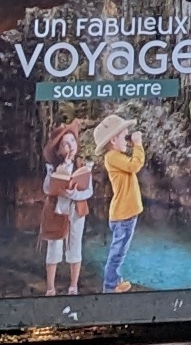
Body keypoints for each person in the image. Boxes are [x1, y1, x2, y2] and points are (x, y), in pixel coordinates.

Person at [94, 116, 148, 292]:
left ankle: (116, 281)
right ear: (113, 139)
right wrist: (138, 145)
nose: (128, 140)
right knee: (117, 253)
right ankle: (109, 287)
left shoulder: (117, 156)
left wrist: (132, 146)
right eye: (125, 137)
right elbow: (135, 165)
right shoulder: (111, 157)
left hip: (126, 213)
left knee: (120, 251)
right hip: (122, 215)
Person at [40, 125, 93, 296]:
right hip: (57, 209)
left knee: (75, 245)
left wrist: (75, 193)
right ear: (58, 150)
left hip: (76, 210)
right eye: (65, 143)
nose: (70, 145)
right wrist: (58, 175)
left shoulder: (83, 166)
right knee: (54, 245)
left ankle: (73, 285)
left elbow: (89, 191)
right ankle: (50, 287)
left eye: (72, 141)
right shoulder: (54, 167)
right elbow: (47, 189)